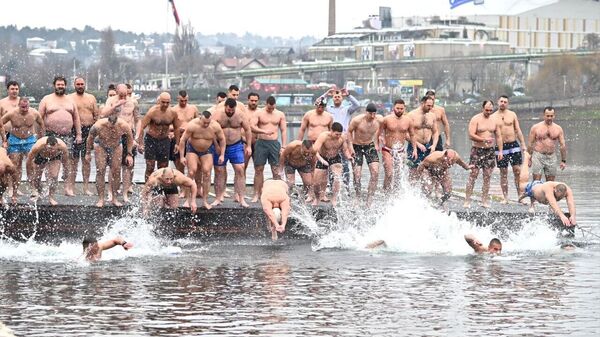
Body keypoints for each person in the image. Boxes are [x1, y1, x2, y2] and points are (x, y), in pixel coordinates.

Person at [38, 75, 83, 197]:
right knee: (49, 161)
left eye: (62, 85)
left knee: (68, 162)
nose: (60, 87)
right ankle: (47, 186)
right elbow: (38, 118)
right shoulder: (46, 99)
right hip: (50, 135)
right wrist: (40, 136)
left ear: (65, 86)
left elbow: (76, 118)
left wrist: (79, 134)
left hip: (67, 136)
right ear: (54, 86)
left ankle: (67, 188)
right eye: (58, 85)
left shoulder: (70, 100)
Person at [179, 110, 226, 209]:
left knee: (207, 173)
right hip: (192, 149)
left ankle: (204, 200)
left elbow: (222, 139)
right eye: (204, 122)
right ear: (200, 118)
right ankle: (188, 200)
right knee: (192, 172)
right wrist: (182, 156)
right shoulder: (192, 125)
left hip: (207, 150)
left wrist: (222, 154)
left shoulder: (215, 126)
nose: (206, 124)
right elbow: (183, 140)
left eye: (208, 123)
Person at [316, 87, 361, 191]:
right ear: (333, 98)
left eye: (339, 96)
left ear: (342, 98)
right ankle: (332, 187)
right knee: (331, 163)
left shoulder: (347, 109)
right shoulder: (328, 109)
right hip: (330, 140)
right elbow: (318, 103)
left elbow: (357, 105)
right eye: (335, 96)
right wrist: (326, 93)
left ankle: (346, 188)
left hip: (343, 139)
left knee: (345, 164)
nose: (337, 98)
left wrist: (348, 95)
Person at [211, 98, 253, 207]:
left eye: (232, 110)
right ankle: (218, 197)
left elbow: (248, 130)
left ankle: (242, 199)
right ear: (225, 107)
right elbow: (211, 131)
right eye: (228, 110)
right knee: (219, 171)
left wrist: (248, 146)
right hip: (220, 146)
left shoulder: (240, 114)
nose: (230, 112)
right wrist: (216, 146)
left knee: (240, 170)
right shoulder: (217, 114)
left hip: (236, 145)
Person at [2, 97, 45, 203]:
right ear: (19, 105)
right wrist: (4, 139)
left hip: (30, 140)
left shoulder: (34, 113)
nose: (25, 109)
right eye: (22, 107)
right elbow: (0, 123)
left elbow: (42, 124)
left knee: (32, 165)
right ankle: (14, 191)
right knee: (15, 166)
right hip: (15, 141)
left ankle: (34, 189)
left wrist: (41, 139)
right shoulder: (12, 113)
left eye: (26, 107)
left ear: (29, 105)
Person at [85, 114, 134, 207]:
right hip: (101, 145)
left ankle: (114, 198)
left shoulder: (124, 125)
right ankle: (101, 199)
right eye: (110, 127)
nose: (112, 129)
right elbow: (89, 138)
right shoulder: (98, 126)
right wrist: (87, 153)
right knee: (100, 170)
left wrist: (129, 154)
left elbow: (130, 138)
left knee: (116, 171)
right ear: (107, 122)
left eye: (114, 127)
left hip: (116, 146)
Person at [517, 152, 576, 226]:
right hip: (534, 187)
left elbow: (571, 203)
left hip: (541, 187)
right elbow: (553, 202)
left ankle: (525, 196)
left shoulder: (568, 190)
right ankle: (526, 157)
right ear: (554, 189)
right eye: (556, 196)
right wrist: (562, 216)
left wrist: (573, 215)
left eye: (560, 197)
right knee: (521, 185)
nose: (557, 198)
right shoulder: (549, 189)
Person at [101, 84, 140, 197]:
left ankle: (124, 194)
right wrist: (116, 105)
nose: (123, 97)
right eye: (121, 95)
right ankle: (110, 192)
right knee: (113, 165)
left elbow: (138, 120)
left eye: (125, 95)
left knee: (127, 165)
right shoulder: (111, 100)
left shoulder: (133, 102)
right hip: (114, 134)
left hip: (128, 134)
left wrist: (136, 137)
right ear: (117, 92)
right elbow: (103, 113)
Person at [464, 100, 503, 208]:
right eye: (486, 110)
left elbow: (499, 136)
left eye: (491, 110)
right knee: (473, 175)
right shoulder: (476, 119)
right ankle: (467, 200)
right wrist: (483, 139)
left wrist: (500, 151)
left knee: (487, 176)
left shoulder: (495, 120)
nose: (489, 112)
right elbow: (471, 135)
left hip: (490, 151)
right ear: (482, 108)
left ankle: (484, 201)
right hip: (477, 149)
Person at [136, 92, 181, 181]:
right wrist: (140, 143)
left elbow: (176, 128)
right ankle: (148, 189)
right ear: (159, 101)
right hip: (151, 139)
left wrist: (177, 144)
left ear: (170, 102)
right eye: (163, 102)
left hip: (164, 140)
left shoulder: (172, 113)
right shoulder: (152, 112)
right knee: (150, 165)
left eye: (167, 102)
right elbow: (142, 127)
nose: (165, 104)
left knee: (163, 167)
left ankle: (160, 190)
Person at [251, 96, 287, 202]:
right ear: (266, 103)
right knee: (258, 169)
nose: (271, 109)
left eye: (273, 108)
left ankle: (278, 194)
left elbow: (283, 130)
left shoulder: (280, 114)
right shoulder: (259, 113)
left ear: (275, 105)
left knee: (276, 169)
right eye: (269, 107)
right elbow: (252, 126)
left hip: (274, 144)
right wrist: (263, 132)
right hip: (261, 143)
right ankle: (257, 194)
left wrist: (284, 146)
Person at [347, 103, 383, 206]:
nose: (372, 116)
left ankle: (369, 198)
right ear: (366, 112)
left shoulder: (379, 119)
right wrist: (350, 147)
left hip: (369, 146)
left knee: (375, 172)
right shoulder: (357, 120)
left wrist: (377, 140)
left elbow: (382, 129)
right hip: (356, 146)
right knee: (357, 174)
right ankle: (358, 196)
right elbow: (349, 132)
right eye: (370, 114)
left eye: (374, 114)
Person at [493, 95, 527, 204]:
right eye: (501, 101)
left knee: (517, 170)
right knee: (503, 172)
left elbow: (518, 130)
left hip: (513, 145)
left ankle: (520, 196)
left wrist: (523, 144)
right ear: (498, 102)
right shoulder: (493, 117)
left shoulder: (512, 114)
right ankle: (505, 197)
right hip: (500, 147)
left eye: (505, 102)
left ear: (508, 103)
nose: (503, 103)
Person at [68, 77, 98, 196]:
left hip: (89, 130)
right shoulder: (70, 98)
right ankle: (71, 187)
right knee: (73, 161)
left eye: (82, 84)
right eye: (78, 84)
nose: (80, 86)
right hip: (74, 131)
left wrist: (95, 132)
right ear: (74, 85)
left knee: (86, 160)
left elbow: (96, 115)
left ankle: (86, 187)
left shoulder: (91, 98)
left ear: (85, 85)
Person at [312, 122, 351, 206]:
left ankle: (334, 199)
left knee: (337, 178)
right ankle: (317, 198)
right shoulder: (323, 136)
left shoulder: (342, 137)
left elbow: (345, 150)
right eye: (336, 134)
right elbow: (314, 150)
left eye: (339, 134)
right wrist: (322, 160)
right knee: (316, 183)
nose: (338, 136)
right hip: (322, 157)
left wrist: (349, 157)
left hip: (335, 158)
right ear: (331, 131)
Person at [380, 99, 414, 191]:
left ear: (404, 108)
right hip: (387, 149)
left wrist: (415, 149)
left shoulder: (408, 120)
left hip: (400, 150)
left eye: (401, 108)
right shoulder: (386, 119)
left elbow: (412, 135)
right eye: (397, 108)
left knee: (399, 175)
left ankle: (395, 194)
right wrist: (380, 138)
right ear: (393, 108)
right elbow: (378, 132)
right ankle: (386, 193)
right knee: (389, 173)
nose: (399, 110)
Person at [26, 136, 70, 205]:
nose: (51, 151)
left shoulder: (62, 147)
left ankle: (51, 197)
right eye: (49, 149)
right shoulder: (38, 146)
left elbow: (66, 161)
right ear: (46, 145)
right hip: (40, 156)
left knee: (54, 176)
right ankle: (38, 192)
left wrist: (66, 172)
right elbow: (28, 160)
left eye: (53, 149)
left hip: (55, 157)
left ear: (57, 145)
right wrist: (29, 174)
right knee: (36, 177)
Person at [527, 106, 567, 182]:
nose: (549, 118)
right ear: (544, 115)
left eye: (551, 116)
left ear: (554, 116)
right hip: (538, 156)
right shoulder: (536, 127)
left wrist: (563, 160)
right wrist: (528, 158)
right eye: (547, 116)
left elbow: (562, 145)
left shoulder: (558, 129)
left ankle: (548, 194)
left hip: (551, 157)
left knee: (550, 183)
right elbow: (530, 144)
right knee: (536, 181)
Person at [407, 96, 439, 180]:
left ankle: (425, 192)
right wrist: (418, 144)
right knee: (413, 173)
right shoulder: (411, 115)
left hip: (428, 147)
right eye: (428, 105)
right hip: (414, 147)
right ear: (422, 103)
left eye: (432, 106)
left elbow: (435, 132)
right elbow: (406, 134)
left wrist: (434, 145)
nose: (430, 108)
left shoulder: (432, 116)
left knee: (428, 173)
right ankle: (411, 192)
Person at [172, 90, 199, 173]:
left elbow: (198, 122)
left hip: (191, 138)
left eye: (185, 100)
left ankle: (191, 183)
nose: (183, 102)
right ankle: (181, 183)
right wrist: (175, 129)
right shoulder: (173, 110)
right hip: (178, 137)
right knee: (179, 163)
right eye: (181, 101)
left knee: (193, 165)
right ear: (178, 99)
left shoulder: (193, 108)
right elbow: (169, 125)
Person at [244, 92, 261, 170]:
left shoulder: (261, 112)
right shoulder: (243, 111)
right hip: (244, 142)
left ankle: (258, 183)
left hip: (258, 143)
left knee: (258, 168)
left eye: (255, 101)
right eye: (252, 100)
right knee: (242, 167)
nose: (253, 102)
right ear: (248, 100)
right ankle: (241, 182)